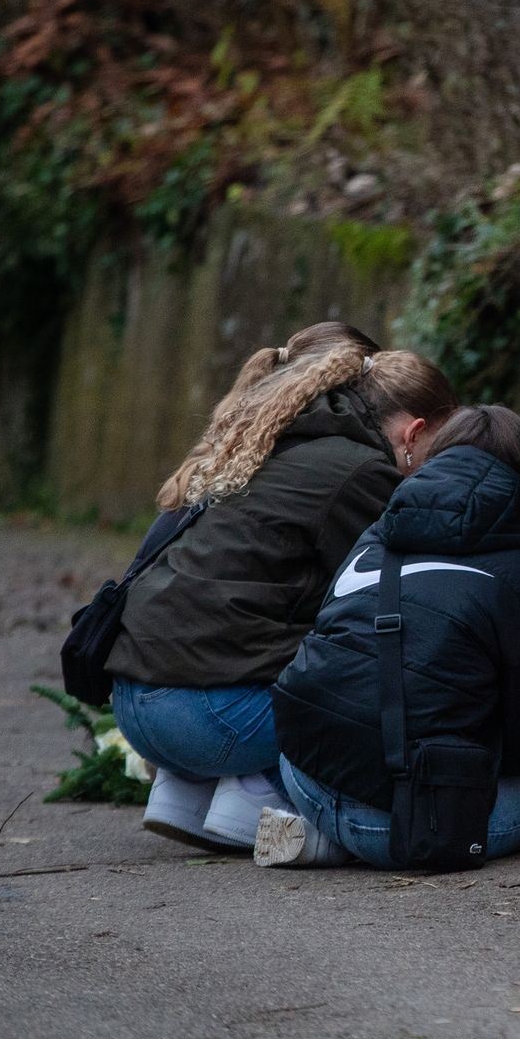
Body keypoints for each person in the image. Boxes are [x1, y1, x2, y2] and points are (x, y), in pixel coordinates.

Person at [110, 323, 457, 849]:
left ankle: (187, 792)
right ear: (414, 434)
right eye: (440, 450)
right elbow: (397, 607)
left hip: (136, 704)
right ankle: (258, 791)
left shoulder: (270, 443)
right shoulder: (361, 473)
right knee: (388, 679)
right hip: (208, 719)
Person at [262, 404, 520, 869]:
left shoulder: (377, 535)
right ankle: (361, 840)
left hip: (307, 775)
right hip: (421, 822)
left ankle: (329, 835)